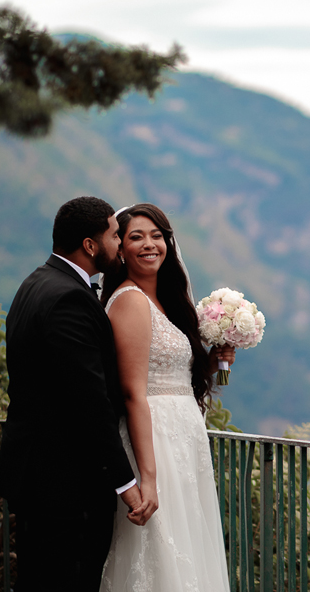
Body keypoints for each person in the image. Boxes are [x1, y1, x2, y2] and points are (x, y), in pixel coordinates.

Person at [0, 197, 148, 592]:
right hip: (64, 482)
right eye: (115, 235)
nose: (120, 245)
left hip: (37, 475)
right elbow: (88, 401)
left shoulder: (35, 283)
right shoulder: (69, 299)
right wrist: (126, 484)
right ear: (90, 245)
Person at [99, 203, 232, 591]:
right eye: (136, 237)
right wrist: (149, 478)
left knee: (185, 548)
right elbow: (133, 392)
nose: (149, 244)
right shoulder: (130, 301)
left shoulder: (164, 302)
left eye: (156, 235)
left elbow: (170, 373)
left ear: (169, 243)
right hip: (154, 443)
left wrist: (213, 363)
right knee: (159, 552)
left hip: (183, 441)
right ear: (120, 249)